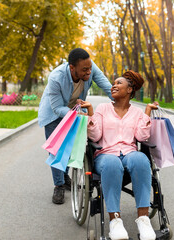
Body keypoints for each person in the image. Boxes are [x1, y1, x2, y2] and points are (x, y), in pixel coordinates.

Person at [79, 70, 158, 240]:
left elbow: (142, 137)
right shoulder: (103, 108)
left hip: (129, 153)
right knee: (112, 163)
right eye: (113, 83)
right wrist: (91, 113)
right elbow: (95, 136)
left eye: (118, 83)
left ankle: (143, 220)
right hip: (105, 154)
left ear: (129, 90)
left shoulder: (137, 112)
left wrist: (147, 113)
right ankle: (115, 221)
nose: (113, 85)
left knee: (141, 160)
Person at [38, 48, 113, 205]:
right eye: (84, 70)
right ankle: (58, 185)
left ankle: (64, 176)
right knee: (57, 149)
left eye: (90, 68)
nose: (88, 72)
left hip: (76, 111)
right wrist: (77, 115)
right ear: (72, 67)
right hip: (54, 114)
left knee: (72, 146)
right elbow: (57, 107)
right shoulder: (56, 78)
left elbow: (106, 85)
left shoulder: (90, 67)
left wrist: (120, 99)